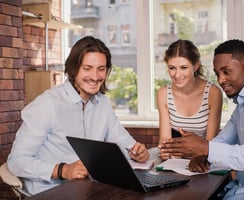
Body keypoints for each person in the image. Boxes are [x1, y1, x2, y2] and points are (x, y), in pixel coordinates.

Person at [7, 36, 149, 195]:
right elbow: (16, 161)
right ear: (73, 69)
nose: (95, 77)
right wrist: (63, 170)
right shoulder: (47, 104)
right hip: (49, 192)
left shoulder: (102, 103)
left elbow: (121, 139)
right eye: (87, 68)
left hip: (88, 188)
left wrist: (135, 151)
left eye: (101, 69)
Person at [159, 39, 244, 199]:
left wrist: (206, 148)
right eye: (218, 74)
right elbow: (223, 140)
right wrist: (202, 154)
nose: (220, 80)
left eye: (226, 72)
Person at [157, 39, 223, 160]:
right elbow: (165, 141)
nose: (177, 75)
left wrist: (184, 152)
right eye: (172, 68)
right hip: (175, 163)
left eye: (184, 67)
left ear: (196, 66)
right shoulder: (163, 93)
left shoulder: (213, 93)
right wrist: (165, 151)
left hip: (203, 162)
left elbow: (210, 145)